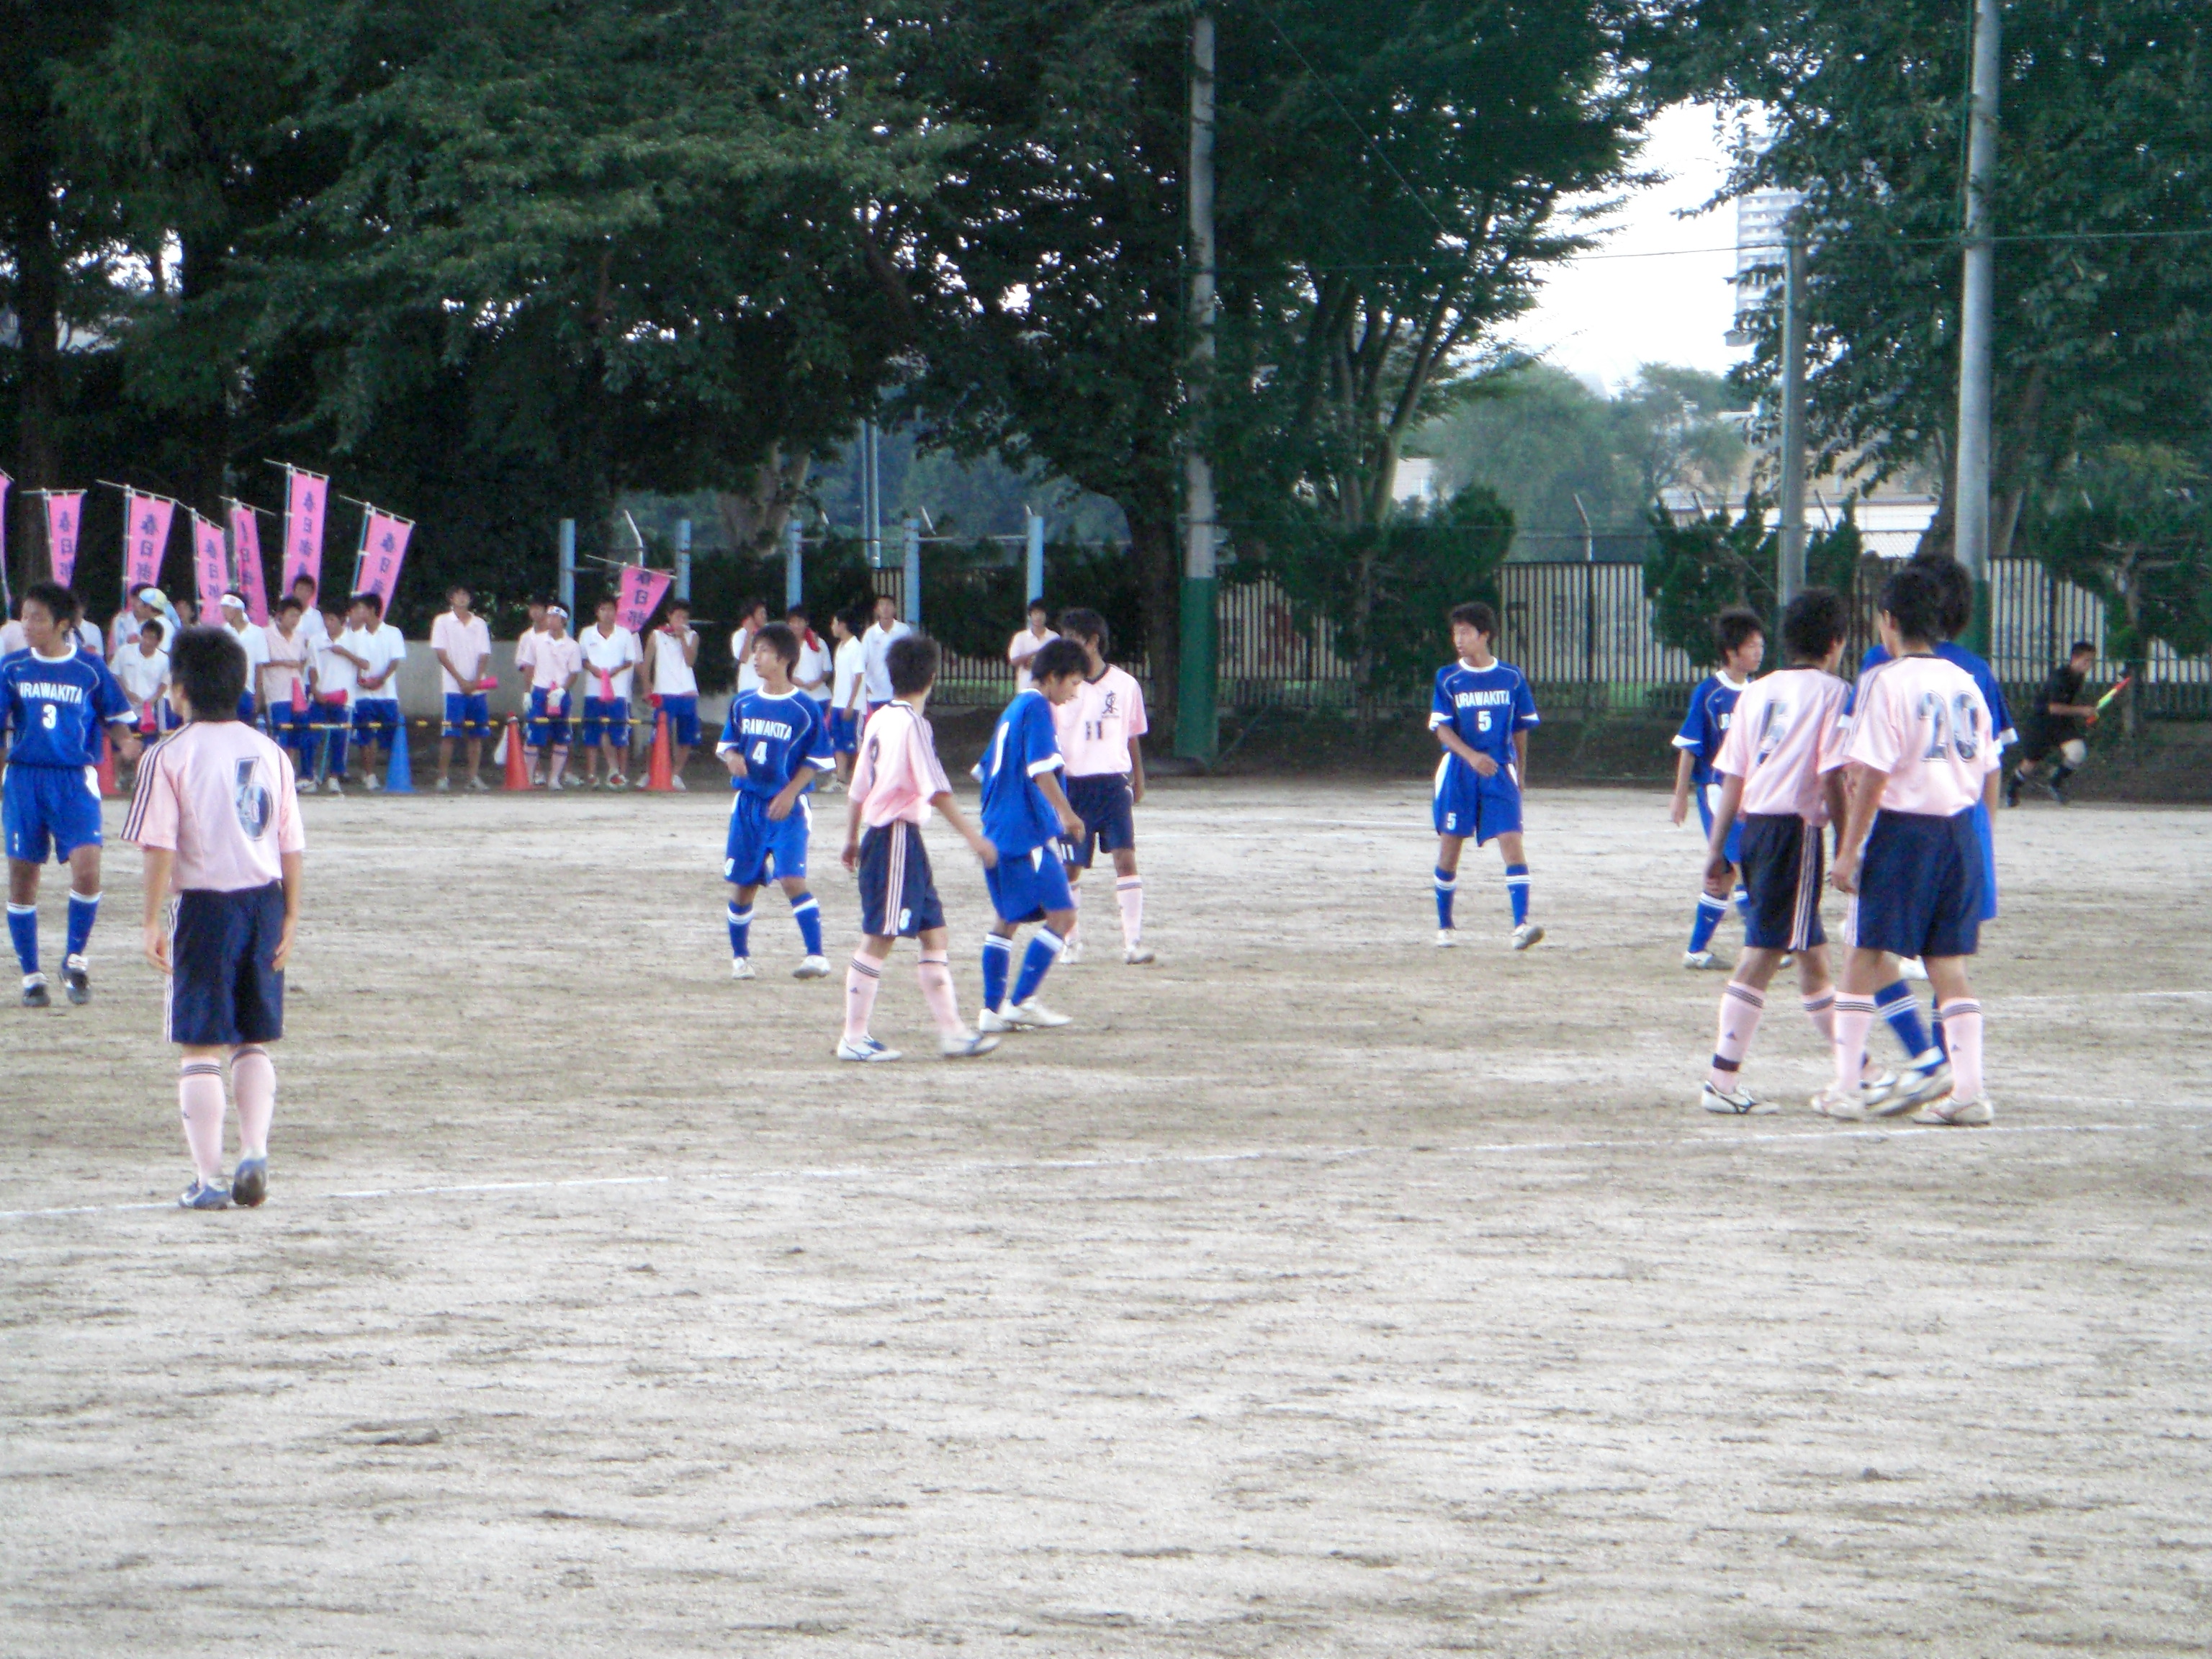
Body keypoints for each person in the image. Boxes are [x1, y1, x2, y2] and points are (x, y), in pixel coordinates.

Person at [124, 624, 305, 1210]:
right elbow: (290, 844)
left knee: (200, 1045)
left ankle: (208, 1180)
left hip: (204, 908)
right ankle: (255, 1150)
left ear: (178, 689)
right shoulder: (271, 752)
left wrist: (151, 920)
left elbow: (160, 847)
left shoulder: (169, 755)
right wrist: (292, 917)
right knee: (253, 1038)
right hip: (264, 901)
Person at [1822, 563, 2000, 1126]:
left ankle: (1848, 1088)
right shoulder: (1966, 682)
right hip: (1958, 832)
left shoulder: (1887, 680)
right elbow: (1987, 766)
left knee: (1862, 955)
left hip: (1905, 832)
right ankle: (1968, 1092)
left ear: (1889, 621)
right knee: (1948, 964)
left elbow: (1872, 774)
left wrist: (1849, 850)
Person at [1692, 590, 1856, 1113]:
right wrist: (1850, 846)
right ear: (1835, 643)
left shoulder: (1758, 691)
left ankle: (1858, 1070)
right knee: (1762, 955)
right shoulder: (1836, 692)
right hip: (1796, 830)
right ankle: (1721, 1081)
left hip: (1757, 828)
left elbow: (1732, 777)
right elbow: (1832, 775)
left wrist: (1718, 851)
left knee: (1812, 958)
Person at [837, 634, 999, 1062]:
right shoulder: (912, 724)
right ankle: (853, 1038)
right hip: (894, 836)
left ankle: (952, 1033)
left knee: (934, 932)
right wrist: (974, 837)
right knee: (881, 934)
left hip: (896, 837)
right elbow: (937, 789)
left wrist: (852, 836)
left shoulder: (879, 719)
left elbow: (858, 787)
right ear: (931, 677)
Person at [1, 583, 141, 1007]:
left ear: (64, 625)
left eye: (37, 617)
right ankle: (31, 975)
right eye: (24, 616)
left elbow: (116, 718)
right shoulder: (12, 668)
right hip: (25, 779)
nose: (27, 625)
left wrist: (127, 745)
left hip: (74, 781)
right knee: (24, 876)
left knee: (87, 869)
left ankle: (75, 959)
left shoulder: (90, 670)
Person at [976, 638, 1089, 1033]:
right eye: (1073, 683)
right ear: (1054, 678)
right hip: (1027, 831)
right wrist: (1068, 814)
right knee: (1063, 913)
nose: (1074, 693)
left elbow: (984, 769)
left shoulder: (1013, 708)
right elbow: (1041, 771)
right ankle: (1022, 1001)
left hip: (998, 827)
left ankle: (991, 1011)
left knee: (1006, 918)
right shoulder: (1038, 707)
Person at [716, 623, 835, 981]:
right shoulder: (744, 702)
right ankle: (740, 959)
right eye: (756, 650)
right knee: (744, 883)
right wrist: (732, 758)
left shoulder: (804, 708)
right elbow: (726, 746)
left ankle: (816, 955)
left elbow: (818, 761)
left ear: (784, 659)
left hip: (788, 808)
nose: (757, 657)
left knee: (791, 878)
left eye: (764, 650)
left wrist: (790, 793)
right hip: (750, 807)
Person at [1429, 601, 1544, 951]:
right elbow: (1442, 730)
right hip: (1460, 772)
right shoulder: (1448, 678)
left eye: (1465, 632)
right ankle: (1445, 925)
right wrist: (1471, 756)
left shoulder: (1511, 677)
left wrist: (1520, 773)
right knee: (1450, 849)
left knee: (1512, 840)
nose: (1458, 640)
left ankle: (1521, 925)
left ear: (1485, 635)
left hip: (1499, 771)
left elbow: (1521, 729)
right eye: (1455, 632)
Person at [1052, 608, 1155, 966]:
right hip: (1074, 786)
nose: (1066, 646)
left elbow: (1132, 735)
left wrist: (1138, 779)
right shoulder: (1062, 687)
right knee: (1070, 867)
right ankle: (1071, 942)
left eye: (1072, 639)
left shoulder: (1125, 685)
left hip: (1112, 785)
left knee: (1125, 858)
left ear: (1093, 642)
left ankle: (1133, 942)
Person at [1671, 607, 1763, 969]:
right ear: (1731, 652)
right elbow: (1690, 748)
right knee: (1743, 862)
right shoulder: (1709, 694)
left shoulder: (1759, 693)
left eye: (1761, 645)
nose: (1759, 652)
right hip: (1717, 791)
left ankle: (1697, 951)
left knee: (1724, 875)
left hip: (1751, 794)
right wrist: (1680, 796)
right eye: (1752, 646)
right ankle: (1764, 941)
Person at [2008, 641, 2101, 806]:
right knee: (2031, 762)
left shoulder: (2078, 677)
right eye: (2086, 661)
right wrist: (2082, 711)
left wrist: (2086, 712)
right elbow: (2054, 708)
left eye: (2091, 661)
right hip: (2042, 723)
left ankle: (2055, 783)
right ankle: (2012, 790)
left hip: (2061, 723)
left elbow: (2065, 707)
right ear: (2074, 658)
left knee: (2077, 752)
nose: (2089, 665)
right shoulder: (2060, 678)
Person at [333, 593, 406, 790]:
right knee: (366, 735)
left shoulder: (393, 632)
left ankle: (395, 774)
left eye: (362, 608)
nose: (358, 613)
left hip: (387, 693)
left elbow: (395, 660)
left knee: (391, 734)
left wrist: (381, 679)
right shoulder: (355, 636)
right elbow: (356, 662)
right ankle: (369, 774)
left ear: (373, 610)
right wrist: (360, 679)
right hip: (363, 693)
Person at [430, 583, 495, 791]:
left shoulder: (479, 623)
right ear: (451, 598)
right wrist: (460, 680)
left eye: (465, 594)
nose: (462, 598)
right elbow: (441, 654)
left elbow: (484, 654)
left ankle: (473, 777)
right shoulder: (442, 621)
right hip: (453, 686)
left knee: (477, 735)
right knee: (450, 733)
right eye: (458, 594)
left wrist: (475, 680)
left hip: (477, 686)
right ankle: (442, 777)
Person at [579, 594, 642, 788]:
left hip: (618, 691)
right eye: (603, 609)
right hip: (593, 690)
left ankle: (621, 774)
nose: (607, 614)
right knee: (592, 732)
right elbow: (582, 659)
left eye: (611, 610)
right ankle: (591, 774)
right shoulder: (587, 633)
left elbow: (630, 659)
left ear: (616, 612)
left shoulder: (624, 634)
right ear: (597, 612)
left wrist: (616, 670)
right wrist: (593, 669)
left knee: (620, 734)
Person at [523, 603, 583, 788]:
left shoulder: (572, 646)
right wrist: (527, 692)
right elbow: (529, 667)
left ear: (564, 620)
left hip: (560, 693)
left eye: (555, 616)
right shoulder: (536, 641)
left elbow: (574, 672)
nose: (550, 620)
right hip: (540, 690)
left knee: (561, 736)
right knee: (534, 736)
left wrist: (563, 690)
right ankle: (528, 777)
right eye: (548, 616)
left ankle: (554, 778)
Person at [644, 601, 701, 788]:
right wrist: (647, 686)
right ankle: (650, 772)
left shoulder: (692, 635)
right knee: (657, 734)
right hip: (664, 691)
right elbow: (647, 662)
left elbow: (690, 661)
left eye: (685, 618)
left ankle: (676, 773)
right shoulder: (657, 635)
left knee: (686, 737)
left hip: (687, 691)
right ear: (669, 616)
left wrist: (683, 638)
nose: (681, 621)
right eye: (678, 617)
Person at [260, 599, 314, 774]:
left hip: (297, 691)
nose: (295, 620)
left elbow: (304, 659)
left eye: (298, 616)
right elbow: (261, 662)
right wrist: (284, 663)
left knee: (297, 734)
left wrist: (298, 665)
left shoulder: (300, 637)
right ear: (280, 616)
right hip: (276, 692)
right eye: (292, 615)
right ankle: (277, 773)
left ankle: (290, 772)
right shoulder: (266, 634)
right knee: (280, 733)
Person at [113, 618, 174, 766]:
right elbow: (115, 674)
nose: (147, 641)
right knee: (121, 742)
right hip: (126, 706)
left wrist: (153, 699)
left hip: (149, 711)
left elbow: (164, 683)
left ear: (158, 641)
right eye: (145, 636)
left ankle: (142, 774)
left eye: (152, 638)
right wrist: (126, 692)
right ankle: (120, 779)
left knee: (147, 744)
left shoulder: (163, 660)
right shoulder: (125, 652)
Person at [310, 602, 354, 791]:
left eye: (332, 619)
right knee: (311, 736)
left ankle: (334, 776)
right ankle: (309, 775)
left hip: (342, 696)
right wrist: (314, 690)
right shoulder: (316, 640)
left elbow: (365, 664)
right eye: (326, 619)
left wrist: (344, 652)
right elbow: (312, 667)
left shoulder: (353, 639)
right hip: (320, 694)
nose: (328, 623)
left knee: (339, 737)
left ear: (342, 621)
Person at [216, 592, 269, 725]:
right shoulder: (222, 633)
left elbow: (259, 666)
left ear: (238, 609)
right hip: (227, 691)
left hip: (248, 690)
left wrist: (258, 695)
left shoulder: (257, 633)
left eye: (227, 608)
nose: (224, 612)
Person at [829, 608, 867, 790]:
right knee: (839, 742)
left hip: (853, 706)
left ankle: (859, 781)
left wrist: (850, 704)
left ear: (843, 625)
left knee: (855, 744)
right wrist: (833, 702)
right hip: (838, 703)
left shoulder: (856, 647)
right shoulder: (840, 648)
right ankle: (841, 779)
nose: (832, 627)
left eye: (835, 623)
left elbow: (858, 677)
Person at [859, 593, 913, 718]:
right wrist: (865, 684)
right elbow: (861, 661)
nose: (885, 608)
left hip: (898, 692)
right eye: (882, 605)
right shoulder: (870, 634)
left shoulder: (904, 631)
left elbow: (911, 659)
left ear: (894, 609)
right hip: (875, 693)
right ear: (877, 610)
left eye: (889, 605)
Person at [789, 605, 833, 745]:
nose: (797, 626)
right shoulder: (785, 645)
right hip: (797, 696)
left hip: (820, 696)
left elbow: (828, 669)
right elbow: (782, 670)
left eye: (800, 621)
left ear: (806, 623)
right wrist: (795, 680)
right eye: (793, 622)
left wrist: (818, 681)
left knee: (820, 735)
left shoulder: (819, 643)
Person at [1008, 600, 1058, 693]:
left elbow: (1059, 661)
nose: (1038, 617)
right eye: (1035, 614)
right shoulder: (1020, 637)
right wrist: (1031, 655)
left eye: (1041, 614)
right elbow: (1014, 660)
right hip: (1025, 687)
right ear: (1030, 616)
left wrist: (1041, 660)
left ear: (1046, 616)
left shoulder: (1054, 638)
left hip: (1049, 689)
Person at [729, 598, 770, 698]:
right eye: (761, 613)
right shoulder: (740, 635)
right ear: (751, 617)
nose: (764, 617)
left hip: (767, 689)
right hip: (747, 689)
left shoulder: (769, 634)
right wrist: (749, 634)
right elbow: (743, 658)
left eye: (765, 613)